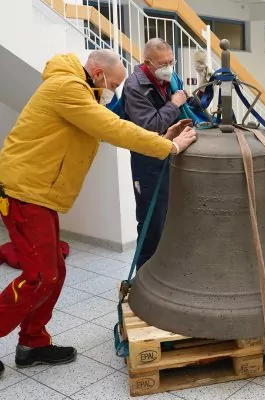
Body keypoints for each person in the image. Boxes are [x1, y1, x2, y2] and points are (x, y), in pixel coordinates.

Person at [0, 49, 197, 374]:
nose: (113, 91)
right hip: (24, 193)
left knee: (54, 273)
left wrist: (162, 136)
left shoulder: (80, 90)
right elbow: (111, 128)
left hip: (37, 194)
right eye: (112, 84)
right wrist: (169, 147)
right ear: (96, 70)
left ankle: (32, 344)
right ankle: (30, 341)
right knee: (39, 276)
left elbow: (110, 124)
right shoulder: (67, 88)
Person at [122, 38, 209, 270]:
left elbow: (191, 104)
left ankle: (167, 272)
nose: (168, 67)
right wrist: (173, 103)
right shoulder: (134, 87)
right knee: (152, 220)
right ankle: (143, 277)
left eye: (171, 61)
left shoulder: (172, 78)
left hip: (174, 154)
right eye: (163, 63)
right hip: (148, 162)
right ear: (147, 63)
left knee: (172, 216)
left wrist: (204, 87)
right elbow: (150, 126)